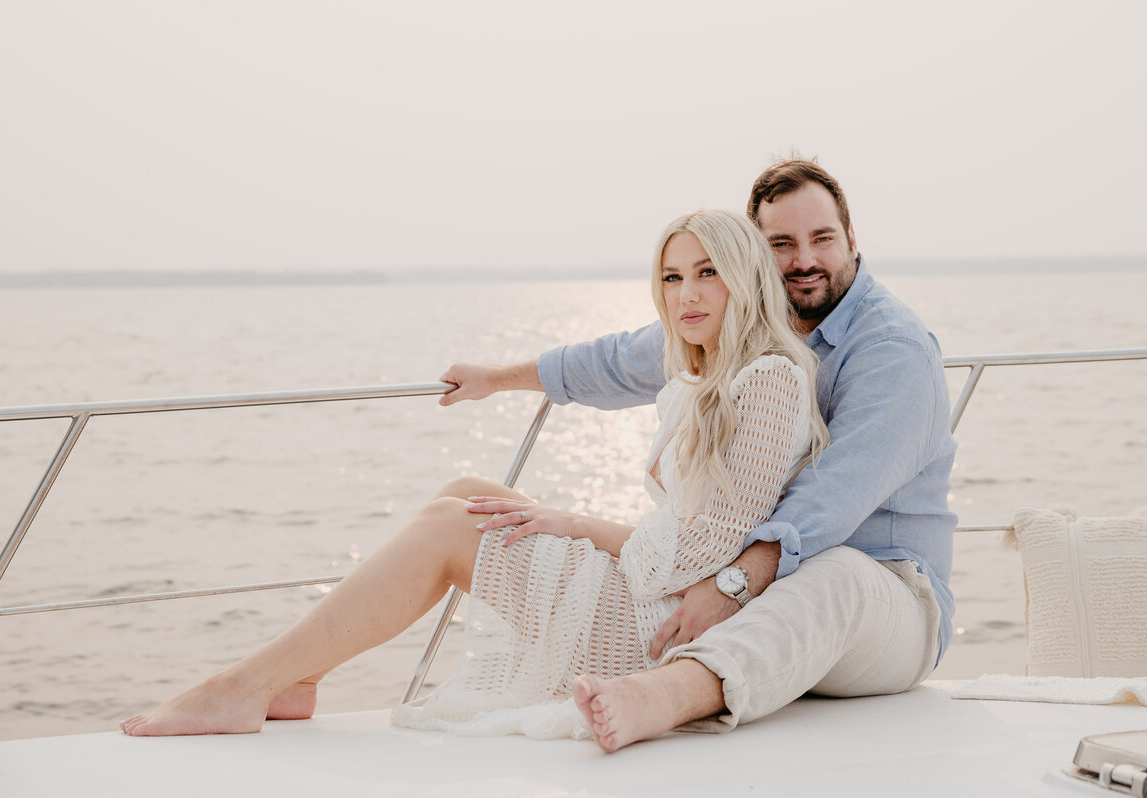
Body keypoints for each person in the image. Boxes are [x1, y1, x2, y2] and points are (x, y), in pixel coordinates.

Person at [119, 208, 828, 739]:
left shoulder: (768, 380)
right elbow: (608, 379)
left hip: (662, 623)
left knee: (448, 531)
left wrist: (572, 523)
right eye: (672, 277)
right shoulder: (708, 376)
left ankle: (242, 686)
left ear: (744, 277)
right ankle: (300, 675)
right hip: (653, 591)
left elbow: (704, 553)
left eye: (707, 272)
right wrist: (503, 391)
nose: (686, 294)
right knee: (466, 495)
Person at [440, 159, 956, 751]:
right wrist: (497, 378)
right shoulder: (744, 320)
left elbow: (833, 497)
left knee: (837, 573)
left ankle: (661, 696)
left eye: (822, 239)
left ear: (852, 239)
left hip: (887, 598)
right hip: (757, 578)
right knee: (469, 501)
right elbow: (622, 359)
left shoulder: (892, 349)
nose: (804, 261)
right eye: (781, 244)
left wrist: (730, 584)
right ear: (754, 257)